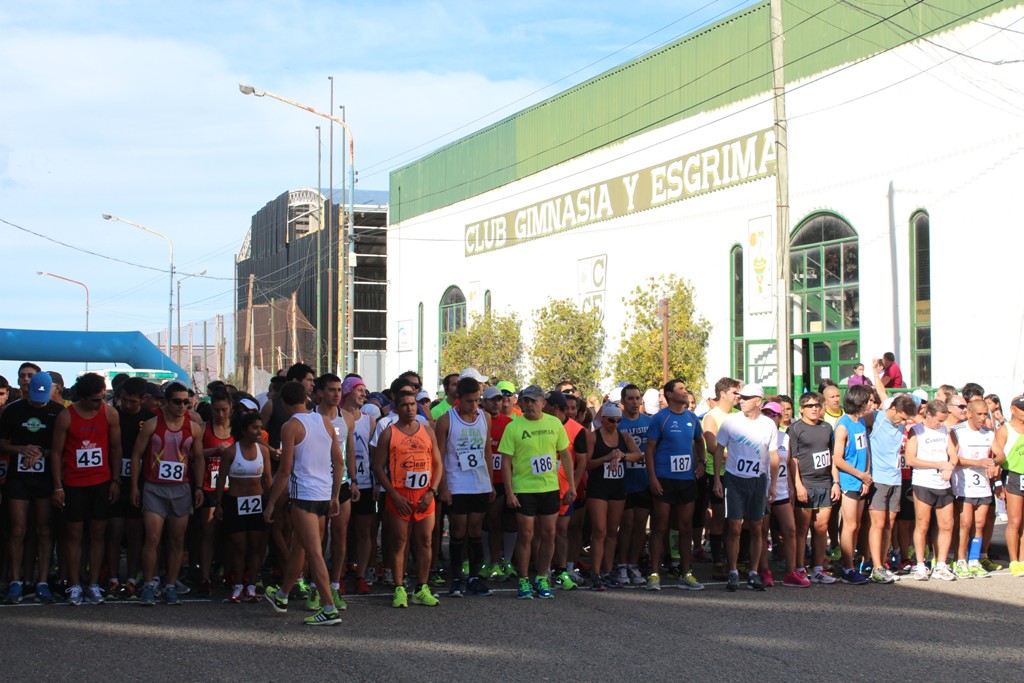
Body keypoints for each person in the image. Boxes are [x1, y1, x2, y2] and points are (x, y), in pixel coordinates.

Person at [262, 381, 345, 625]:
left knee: (313, 552)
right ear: (306, 398)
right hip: (322, 494)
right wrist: (335, 495)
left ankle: (329, 608)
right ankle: (282, 595)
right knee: (299, 547)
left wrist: (271, 503)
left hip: (305, 496)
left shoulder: (290, 426)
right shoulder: (324, 421)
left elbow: (285, 470)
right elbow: (338, 462)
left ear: (285, 403)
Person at [49, 372, 122, 605]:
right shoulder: (66, 417)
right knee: (74, 535)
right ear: (83, 397)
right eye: (95, 399)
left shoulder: (110, 413)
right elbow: (57, 453)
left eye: (103, 398)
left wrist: (115, 480)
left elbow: (117, 448)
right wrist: (58, 487)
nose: (100, 403)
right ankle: (74, 584)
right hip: (74, 484)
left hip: (101, 482)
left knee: (98, 534)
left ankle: (93, 584)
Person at [130, 382, 205, 606]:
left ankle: (171, 585)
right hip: (154, 487)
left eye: (186, 401)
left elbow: (199, 458)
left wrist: (199, 487)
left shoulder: (194, 427)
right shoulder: (152, 425)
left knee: (177, 539)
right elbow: (136, 455)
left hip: (181, 489)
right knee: (153, 538)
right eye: (177, 401)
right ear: (166, 402)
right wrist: (134, 486)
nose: (183, 406)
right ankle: (150, 584)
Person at [499, 385, 574, 600]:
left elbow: (565, 455)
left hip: (550, 488)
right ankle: (523, 580)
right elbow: (506, 462)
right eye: (526, 401)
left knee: (549, 534)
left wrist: (571, 486)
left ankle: (542, 578)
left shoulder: (554, 423)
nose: (530, 404)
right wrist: (510, 492)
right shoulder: (514, 427)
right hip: (524, 488)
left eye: (534, 400)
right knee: (526, 535)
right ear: (520, 403)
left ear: (543, 403)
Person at [373, 390, 443, 608]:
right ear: (396, 407)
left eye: (413, 404)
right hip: (400, 495)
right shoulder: (389, 433)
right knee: (399, 543)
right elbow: (378, 467)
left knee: (425, 541)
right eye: (405, 405)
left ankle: (422, 588)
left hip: (424, 495)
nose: (410, 409)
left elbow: (438, 464)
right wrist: (393, 493)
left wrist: (432, 491)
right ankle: (399, 587)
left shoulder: (427, 431)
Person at [1, 371, 64, 604]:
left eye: (44, 397)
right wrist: (21, 449)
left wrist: (41, 452)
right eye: (36, 397)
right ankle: (16, 581)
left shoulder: (58, 413)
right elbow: (2, 442)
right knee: (18, 530)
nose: (40, 401)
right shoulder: (14, 410)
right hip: (18, 477)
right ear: (28, 390)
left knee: (44, 529)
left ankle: (43, 580)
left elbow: (63, 448)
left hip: (46, 477)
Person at [712, 383, 779, 592]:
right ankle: (732, 571)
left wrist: (773, 485)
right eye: (740, 397)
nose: (741, 400)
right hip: (734, 479)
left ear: (758, 401)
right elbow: (718, 450)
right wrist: (716, 479)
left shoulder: (768, 425)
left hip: (758, 480)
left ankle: (753, 571)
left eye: (746, 398)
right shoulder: (730, 422)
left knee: (757, 527)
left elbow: (774, 455)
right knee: (734, 526)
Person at [436, 377, 494, 597]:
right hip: (457, 483)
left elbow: (486, 450)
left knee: (476, 531)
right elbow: (439, 456)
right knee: (458, 531)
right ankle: (457, 578)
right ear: (458, 399)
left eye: (477, 400)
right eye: (470, 401)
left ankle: (474, 577)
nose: (474, 406)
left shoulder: (484, 418)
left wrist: (489, 481)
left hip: (479, 483)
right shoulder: (445, 421)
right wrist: (444, 487)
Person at [645, 379, 705, 591]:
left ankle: (686, 573)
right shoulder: (660, 419)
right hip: (664, 478)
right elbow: (649, 449)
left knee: (685, 527)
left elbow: (700, 441)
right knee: (660, 526)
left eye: (685, 388)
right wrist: (652, 477)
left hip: (686, 480)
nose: (685, 391)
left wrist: (702, 462)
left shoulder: (692, 418)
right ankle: (654, 573)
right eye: (680, 389)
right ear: (669, 395)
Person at [215, 411, 272, 603]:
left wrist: (270, 504)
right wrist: (219, 504)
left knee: (256, 547)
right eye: (255, 428)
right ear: (243, 430)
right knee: (239, 546)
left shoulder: (263, 451)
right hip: (235, 502)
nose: (259, 431)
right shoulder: (232, 451)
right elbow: (222, 478)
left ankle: (251, 585)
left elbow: (268, 479)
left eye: (260, 428)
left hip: (256, 503)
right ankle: (238, 584)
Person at [584, 402, 641, 591]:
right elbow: (587, 464)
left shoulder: (624, 437)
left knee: (611, 531)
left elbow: (638, 455)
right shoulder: (593, 437)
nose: (614, 424)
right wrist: (606, 458)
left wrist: (622, 456)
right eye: (611, 420)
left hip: (617, 487)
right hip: (598, 488)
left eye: (618, 421)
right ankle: (596, 573)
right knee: (599, 530)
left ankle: (607, 571)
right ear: (603, 419)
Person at [863, 392, 919, 584]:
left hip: (896, 478)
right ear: (893, 409)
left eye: (906, 419)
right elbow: (856, 422)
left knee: (889, 523)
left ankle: (883, 563)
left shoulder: (901, 422)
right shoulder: (877, 417)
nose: (903, 422)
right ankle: (875, 566)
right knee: (877, 524)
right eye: (902, 417)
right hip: (878, 478)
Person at [106, 377, 152, 600]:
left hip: (140, 482)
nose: (126, 405)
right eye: (123, 400)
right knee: (114, 532)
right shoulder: (111, 415)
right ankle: (113, 580)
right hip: (115, 480)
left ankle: (132, 579)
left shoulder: (149, 420)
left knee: (135, 533)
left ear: (143, 400)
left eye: (132, 401)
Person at [316, 373, 358, 609]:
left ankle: (335, 585)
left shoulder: (347, 418)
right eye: (331, 390)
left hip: (340, 484)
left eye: (339, 390)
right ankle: (315, 587)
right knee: (317, 539)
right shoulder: (309, 417)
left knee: (340, 535)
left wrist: (353, 480)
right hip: (317, 485)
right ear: (320, 392)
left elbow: (350, 452)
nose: (336, 394)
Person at [904, 400, 956, 580]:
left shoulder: (945, 431)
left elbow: (953, 454)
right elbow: (910, 459)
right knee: (923, 524)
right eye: (938, 420)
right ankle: (920, 565)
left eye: (944, 420)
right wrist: (936, 464)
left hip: (944, 484)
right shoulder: (916, 430)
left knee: (947, 524)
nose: (941, 423)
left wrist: (949, 467)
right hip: (924, 482)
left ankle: (941, 564)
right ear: (929, 415)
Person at [789, 392, 836, 584]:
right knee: (802, 528)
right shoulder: (795, 429)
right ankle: (799, 567)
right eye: (809, 406)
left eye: (817, 405)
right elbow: (793, 459)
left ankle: (818, 567)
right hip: (806, 483)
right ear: (801, 409)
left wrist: (836, 482)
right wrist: (798, 485)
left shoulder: (827, 427)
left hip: (824, 483)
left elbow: (832, 456)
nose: (814, 408)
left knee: (821, 527)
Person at [758, 401, 806, 587]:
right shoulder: (758, 436)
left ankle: (791, 572)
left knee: (790, 529)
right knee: (762, 531)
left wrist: (793, 487)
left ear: (779, 418)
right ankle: (764, 571)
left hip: (781, 491)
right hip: (763, 490)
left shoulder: (784, 438)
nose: (770, 417)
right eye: (766, 413)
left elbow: (790, 462)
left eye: (773, 414)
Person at [949, 398, 996, 579]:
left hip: (983, 485)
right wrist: (977, 462)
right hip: (964, 485)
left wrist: (995, 463)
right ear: (969, 413)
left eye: (986, 414)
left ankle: (974, 560)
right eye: (979, 414)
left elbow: (999, 454)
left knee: (979, 524)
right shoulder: (958, 432)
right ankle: (960, 559)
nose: (983, 418)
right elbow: (954, 458)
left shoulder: (989, 433)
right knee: (965, 523)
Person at [832, 384, 873, 585]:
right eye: (868, 401)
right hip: (849, 481)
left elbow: (865, 451)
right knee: (850, 525)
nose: (870, 405)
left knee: (856, 526)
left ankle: (853, 564)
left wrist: (867, 475)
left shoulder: (861, 422)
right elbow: (838, 459)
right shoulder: (843, 425)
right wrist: (860, 475)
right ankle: (847, 568)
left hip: (861, 480)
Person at [702, 377, 741, 578]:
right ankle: (717, 560)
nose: (738, 396)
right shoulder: (711, 417)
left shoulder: (739, 415)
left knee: (735, 519)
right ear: (723, 393)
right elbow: (712, 447)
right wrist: (735, 457)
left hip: (738, 474)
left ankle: (732, 558)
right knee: (720, 519)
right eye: (735, 392)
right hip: (719, 474)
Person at [342, 376, 377, 594]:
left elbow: (373, 456)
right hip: (343, 482)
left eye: (365, 390)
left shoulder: (369, 421)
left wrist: (376, 483)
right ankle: (340, 574)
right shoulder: (336, 418)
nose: (364, 394)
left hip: (365, 482)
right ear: (347, 392)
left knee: (364, 530)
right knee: (342, 531)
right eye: (359, 390)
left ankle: (361, 574)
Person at [616, 384, 653, 586]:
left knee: (640, 525)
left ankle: (633, 564)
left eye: (637, 398)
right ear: (623, 402)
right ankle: (621, 564)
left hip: (645, 479)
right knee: (627, 525)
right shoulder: (617, 422)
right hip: (624, 481)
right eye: (630, 398)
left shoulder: (650, 421)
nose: (635, 402)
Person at [197, 392, 233, 596]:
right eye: (216, 410)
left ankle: (229, 573)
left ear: (231, 409)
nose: (220, 414)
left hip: (232, 488)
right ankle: (205, 577)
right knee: (208, 533)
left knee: (230, 535)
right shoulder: (204, 428)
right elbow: (194, 454)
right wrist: (215, 450)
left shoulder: (237, 429)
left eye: (224, 410)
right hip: (209, 486)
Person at [481, 385, 515, 581]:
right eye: (492, 399)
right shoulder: (478, 422)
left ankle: (506, 561)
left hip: (506, 481)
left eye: (499, 399)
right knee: (490, 521)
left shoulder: (510, 423)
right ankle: (489, 561)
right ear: (483, 402)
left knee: (509, 522)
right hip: (485, 480)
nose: (496, 403)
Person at [992, 395, 1024, 575]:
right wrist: (997, 483)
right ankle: (1013, 560)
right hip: (1012, 476)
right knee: (1015, 521)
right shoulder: (1005, 430)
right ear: (1013, 409)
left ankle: (1022, 558)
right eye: (1022, 409)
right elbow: (996, 457)